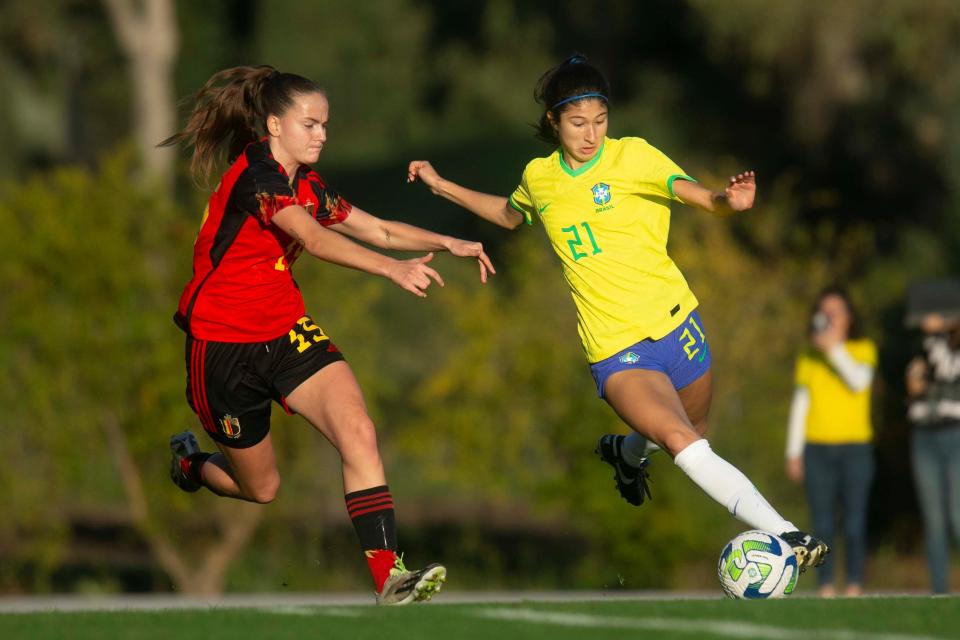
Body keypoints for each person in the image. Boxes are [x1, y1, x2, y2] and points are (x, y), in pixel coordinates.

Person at [406, 54, 828, 571]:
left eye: (600, 121)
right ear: (553, 122)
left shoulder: (634, 157)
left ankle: (625, 455)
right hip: (615, 347)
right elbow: (507, 215)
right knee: (681, 442)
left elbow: (701, 196)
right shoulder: (540, 178)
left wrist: (729, 201)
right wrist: (440, 184)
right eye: (578, 123)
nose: (591, 135)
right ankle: (788, 534)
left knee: (692, 434)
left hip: (678, 325)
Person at [159, 65, 495, 605]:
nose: (321, 135)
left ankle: (389, 579)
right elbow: (313, 240)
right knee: (261, 489)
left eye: (325, 125)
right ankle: (191, 465)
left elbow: (378, 229)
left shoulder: (306, 184)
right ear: (273, 124)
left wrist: (448, 242)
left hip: (285, 330)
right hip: (221, 349)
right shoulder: (258, 179)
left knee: (358, 430)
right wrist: (391, 269)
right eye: (310, 124)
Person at [784, 287, 877, 597]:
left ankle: (854, 584)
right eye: (825, 312)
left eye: (837, 312)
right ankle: (824, 586)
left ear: (849, 318)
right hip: (817, 449)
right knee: (822, 523)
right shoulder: (808, 356)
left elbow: (858, 382)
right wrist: (793, 453)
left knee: (854, 523)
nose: (831, 318)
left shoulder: (864, 349)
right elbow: (800, 405)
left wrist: (833, 350)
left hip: (855, 447)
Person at [906, 311, 960, 594]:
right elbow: (914, 385)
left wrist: (944, 332)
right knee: (934, 522)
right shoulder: (920, 347)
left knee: (957, 516)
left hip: (955, 433)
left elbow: (947, 371)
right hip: (924, 434)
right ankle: (939, 592)